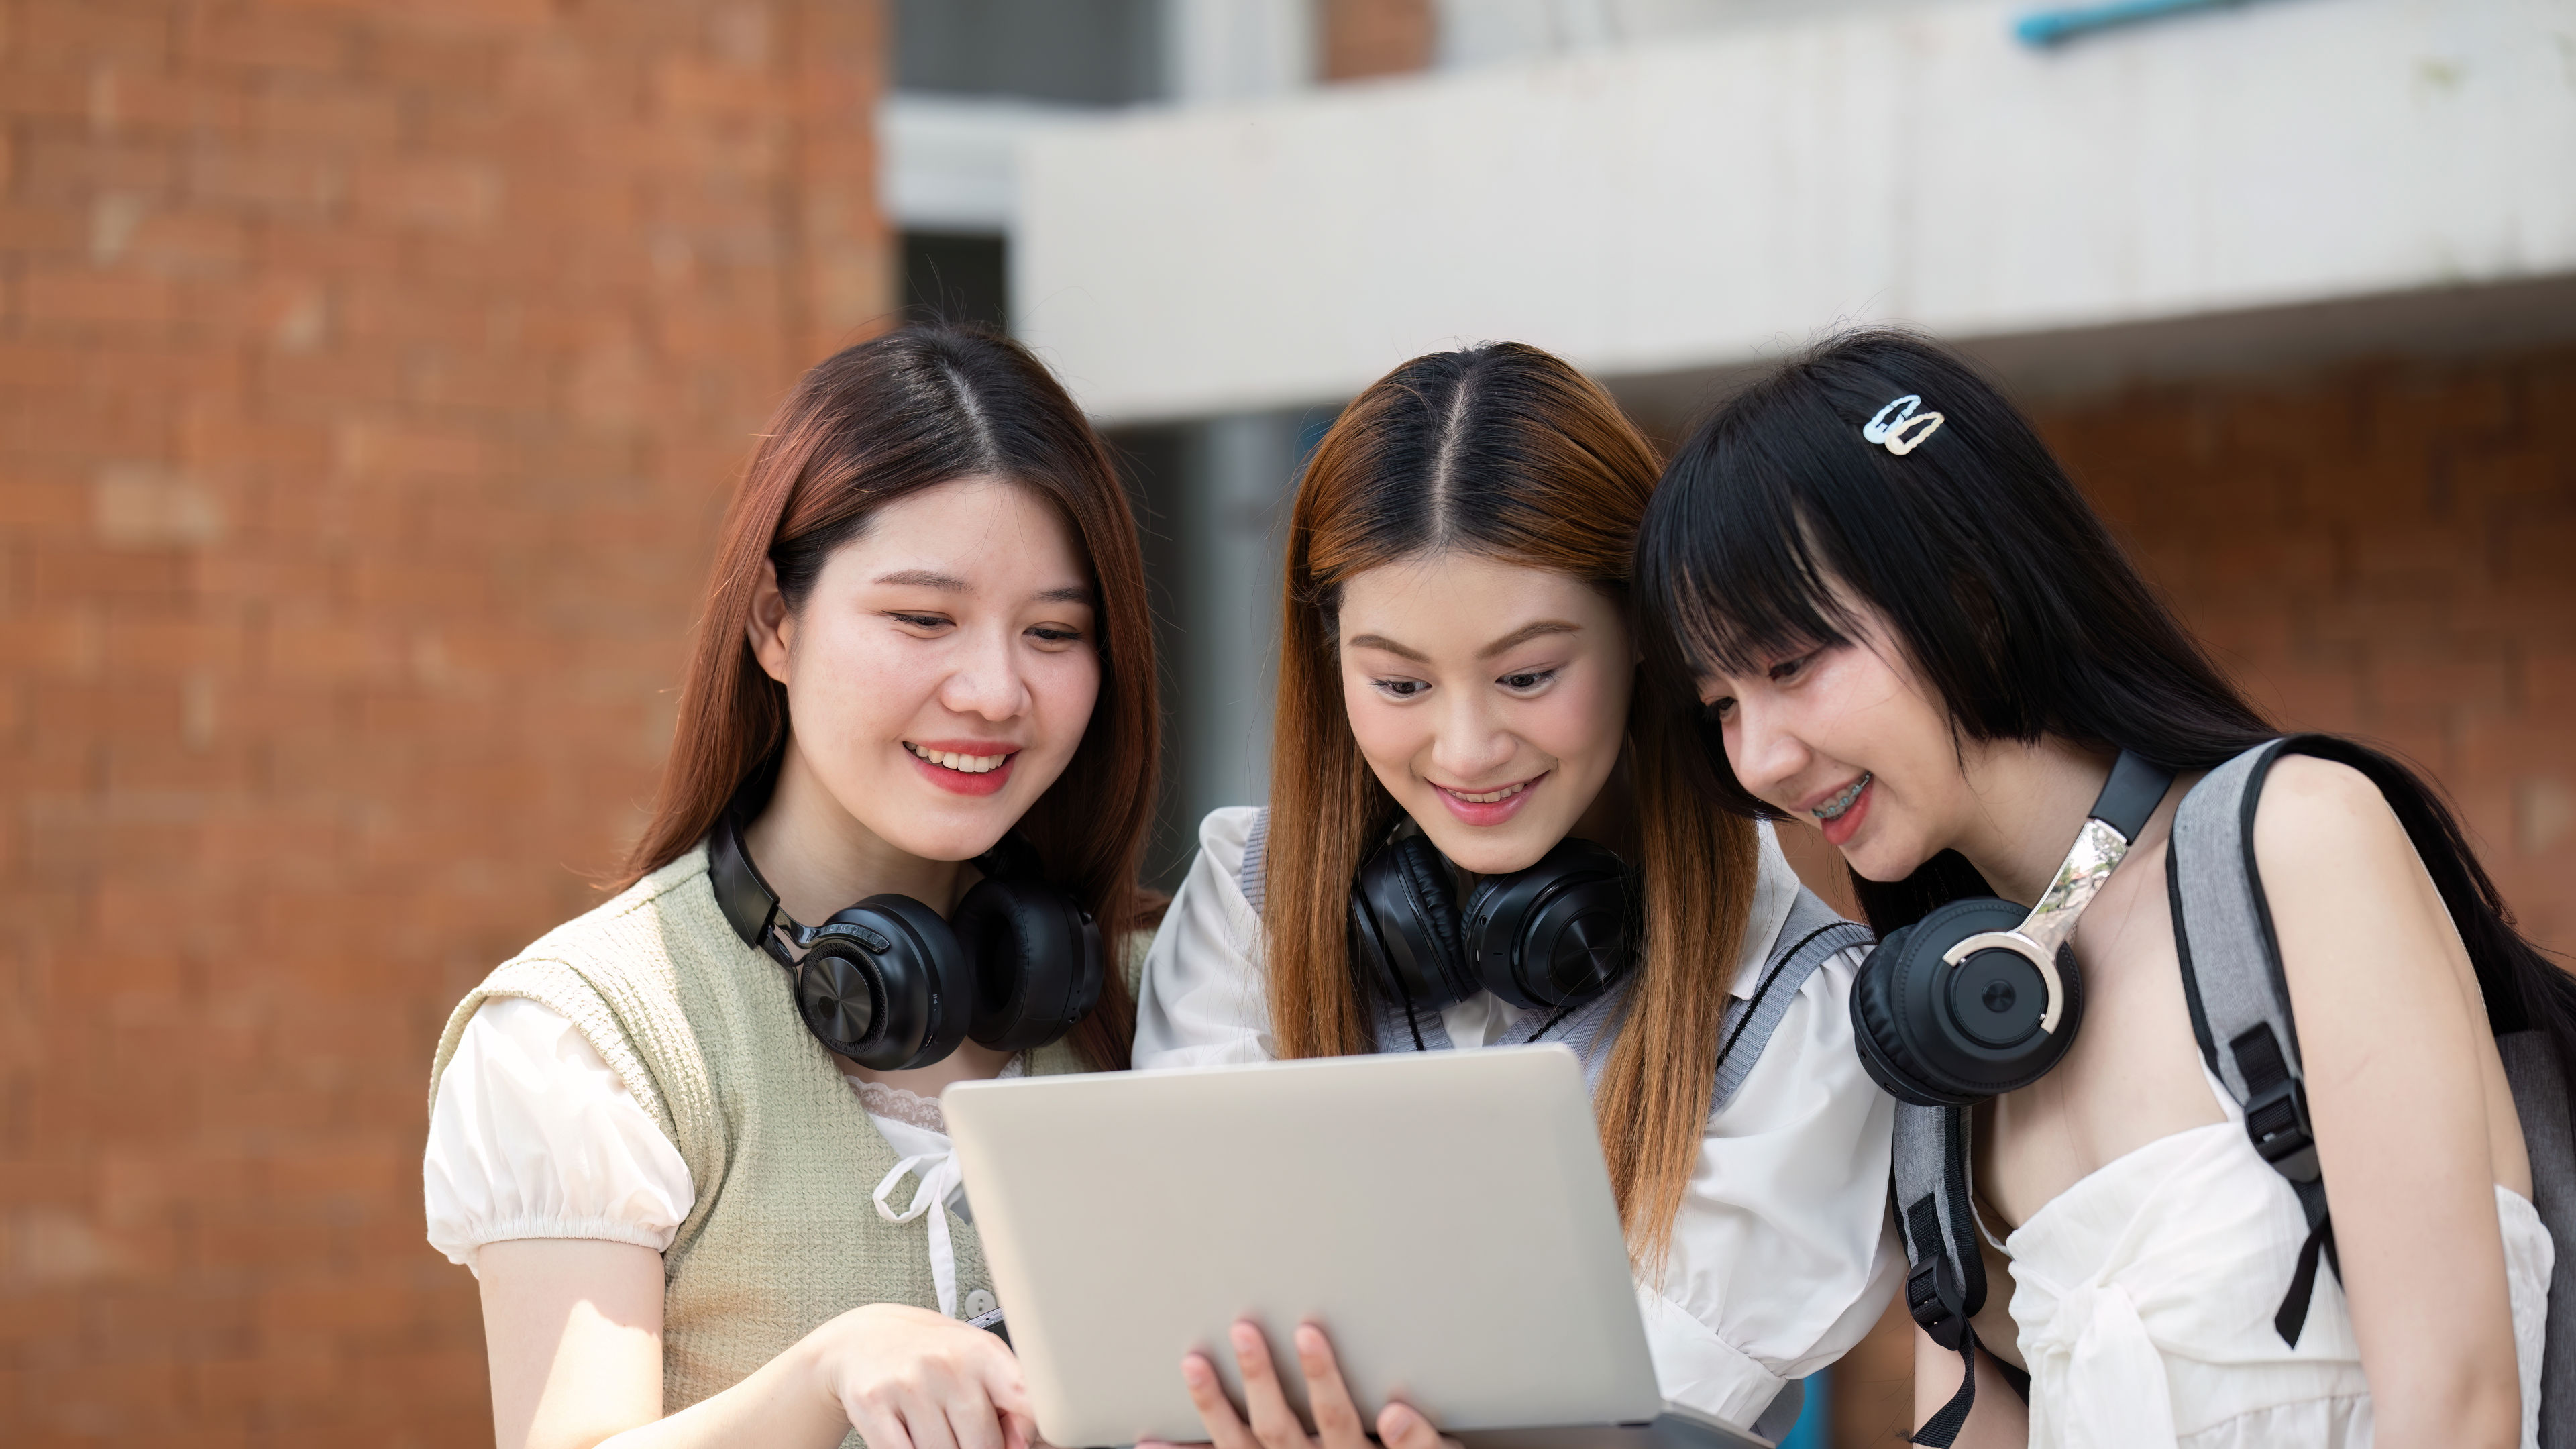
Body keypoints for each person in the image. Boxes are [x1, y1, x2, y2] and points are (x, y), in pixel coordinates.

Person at [1633, 329, 2570, 1448]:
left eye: (1789, 665)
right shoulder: (1947, 1063)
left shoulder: (2295, 846)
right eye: (1721, 704)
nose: (1761, 757)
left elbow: (2459, 1408)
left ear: (1967, 592)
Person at [1135, 343, 1901, 1448]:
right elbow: (1184, 1302)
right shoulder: (1246, 903)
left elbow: (1610, 1412)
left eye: (1529, 674)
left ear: (1644, 638)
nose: (1466, 746)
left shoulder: (1802, 1008)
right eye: (1398, 682)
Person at [422, 325, 1160, 1449]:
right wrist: (822, 1374)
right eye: (923, 619)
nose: (996, 690)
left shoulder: (1168, 990)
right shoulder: (593, 1032)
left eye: (1054, 632)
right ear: (776, 621)